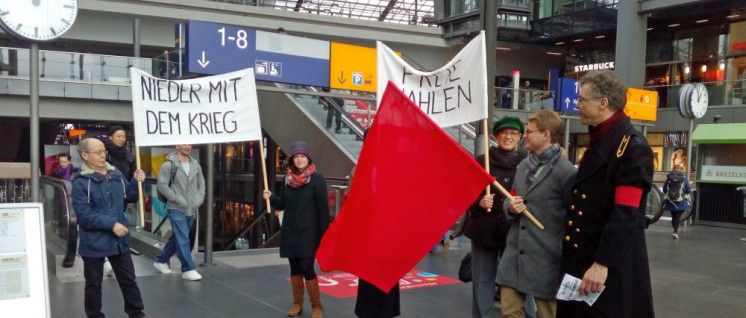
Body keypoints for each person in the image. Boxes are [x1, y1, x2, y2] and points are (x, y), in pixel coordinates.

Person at [557, 70, 655, 318]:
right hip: (581, 261)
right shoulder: (601, 141)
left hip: (607, 265)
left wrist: (603, 262)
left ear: (603, 103)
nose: (576, 104)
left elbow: (626, 213)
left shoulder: (631, 147)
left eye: (582, 99)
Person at [496, 110, 576, 318]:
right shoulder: (523, 165)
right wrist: (510, 207)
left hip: (546, 258)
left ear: (546, 134)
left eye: (529, 132)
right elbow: (510, 197)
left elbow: (573, 215)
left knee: (547, 314)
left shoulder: (566, 172)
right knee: (509, 312)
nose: (524, 136)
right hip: (515, 254)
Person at [70, 138, 147, 318]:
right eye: (98, 152)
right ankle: (95, 315)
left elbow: (130, 196)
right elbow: (84, 215)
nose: (103, 155)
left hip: (119, 241)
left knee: (128, 280)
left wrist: (136, 182)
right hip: (94, 242)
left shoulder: (116, 174)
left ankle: (137, 313)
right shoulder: (81, 181)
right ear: (85, 155)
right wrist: (111, 224)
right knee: (94, 284)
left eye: (104, 151)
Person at [464, 116, 526, 318]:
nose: (508, 137)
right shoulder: (483, 161)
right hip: (484, 230)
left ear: (520, 138)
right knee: (482, 281)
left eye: (513, 133)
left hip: (514, 232)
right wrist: (479, 203)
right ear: (496, 135)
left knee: (520, 281)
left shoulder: (527, 163)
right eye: (504, 133)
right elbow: (465, 193)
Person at [263, 141, 330, 318]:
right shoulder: (288, 180)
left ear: (308, 158)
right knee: (294, 268)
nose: (299, 159)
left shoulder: (317, 179)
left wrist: (325, 234)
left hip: (309, 232)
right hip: (291, 231)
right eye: (296, 157)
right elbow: (282, 204)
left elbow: (323, 209)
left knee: (307, 267)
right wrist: (271, 197)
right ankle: (297, 303)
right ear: (292, 160)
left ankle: (317, 306)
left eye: (302, 156)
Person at [352, 129, 401, 318]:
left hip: (389, 232)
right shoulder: (360, 170)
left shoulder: (394, 168)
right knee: (368, 275)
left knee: (388, 275)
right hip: (368, 231)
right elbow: (353, 203)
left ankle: (387, 311)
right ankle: (367, 311)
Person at [152, 144, 206, 280]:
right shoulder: (169, 165)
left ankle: (160, 260)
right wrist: (175, 199)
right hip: (175, 207)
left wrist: (198, 201)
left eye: (189, 144)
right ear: (177, 146)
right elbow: (162, 185)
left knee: (178, 237)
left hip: (191, 207)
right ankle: (188, 268)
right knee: (183, 237)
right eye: (184, 144)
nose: (188, 147)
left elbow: (201, 185)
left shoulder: (196, 165)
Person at [662, 165, 691, 239]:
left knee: (674, 216)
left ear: (673, 169)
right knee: (677, 216)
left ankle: (675, 230)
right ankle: (675, 231)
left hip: (671, 200)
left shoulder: (669, 178)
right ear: (681, 170)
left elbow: (664, 189)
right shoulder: (684, 179)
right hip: (681, 201)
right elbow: (688, 190)